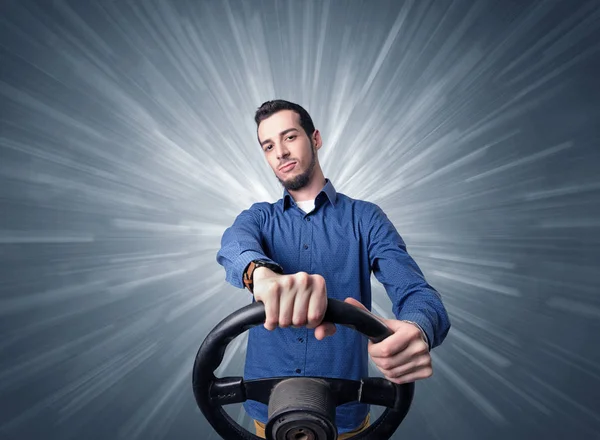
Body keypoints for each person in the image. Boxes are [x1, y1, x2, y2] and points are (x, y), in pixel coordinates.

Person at [216, 99, 451, 438]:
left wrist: (418, 328)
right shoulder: (258, 217)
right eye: (268, 146)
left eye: (289, 137)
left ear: (315, 138)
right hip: (266, 416)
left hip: (347, 420)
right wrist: (261, 276)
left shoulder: (366, 218)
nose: (280, 152)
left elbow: (417, 294)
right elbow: (234, 244)